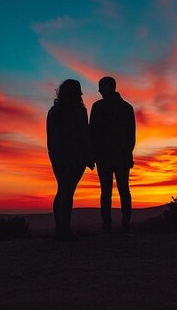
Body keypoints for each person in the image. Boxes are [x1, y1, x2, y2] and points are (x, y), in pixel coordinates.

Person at [46, 79, 94, 241]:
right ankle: (64, 231)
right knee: (67, 192)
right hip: (75, 157)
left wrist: (52, 155)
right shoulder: (79, 111)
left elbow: (50, 138)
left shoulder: (53, 111)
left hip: (57, 157)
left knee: (62, 190)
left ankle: (60, 229)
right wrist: (89, 156)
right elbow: (84, 135)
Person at [90, 76, 136, 234]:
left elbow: (92, 133)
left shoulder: (98, 107)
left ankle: (108, 227)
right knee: (123, 190)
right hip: (119, 156)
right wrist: (128, 153)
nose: (98, 91)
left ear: (108, 87)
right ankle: (124, 226)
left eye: (100, 87)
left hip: (105, 156)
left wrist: (93, 154)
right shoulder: (127, 107)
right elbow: (131, 136)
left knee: (107, 191)